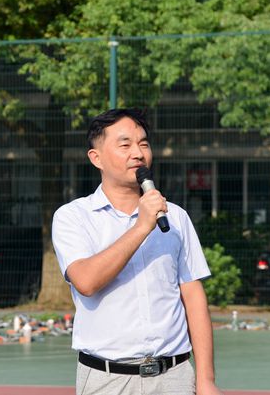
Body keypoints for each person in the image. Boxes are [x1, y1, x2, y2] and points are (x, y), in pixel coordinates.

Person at [52, 108, 223, 395]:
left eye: (143, 144)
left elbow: (193, 297)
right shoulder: (73, 217)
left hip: (175, 376)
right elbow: (86, 281)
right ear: (96, 158)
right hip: (107, 379)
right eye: (125, 145)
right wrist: (142, 226)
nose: (138, 153)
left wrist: (206, 380)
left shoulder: (175, 217)